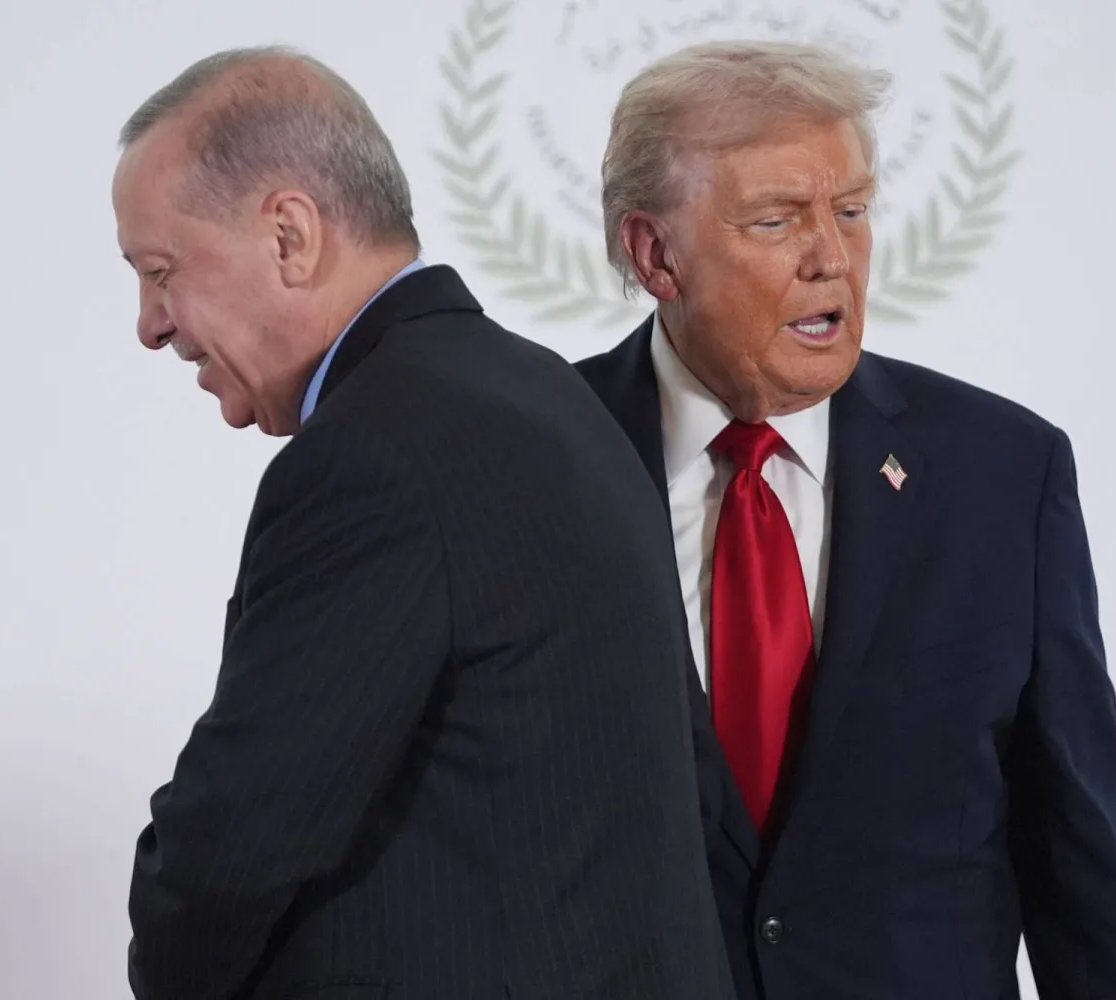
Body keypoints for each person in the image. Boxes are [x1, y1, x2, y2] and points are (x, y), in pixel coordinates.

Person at [110, 46, 736, 1000]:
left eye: (161, 272)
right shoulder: (557, 403)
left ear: (289, 236)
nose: (151, 324)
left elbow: (229, 850)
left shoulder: (372, 456)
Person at [576, 40, 1116, 1000]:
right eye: (777, 220)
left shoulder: (1001, 477)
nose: (831, 257)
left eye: (851, 211)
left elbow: (1086, 868)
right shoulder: (534, 464)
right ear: (654, 254)